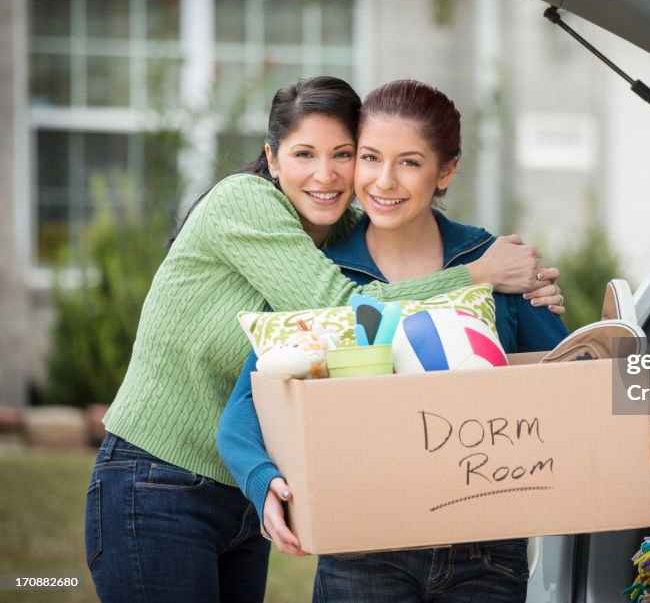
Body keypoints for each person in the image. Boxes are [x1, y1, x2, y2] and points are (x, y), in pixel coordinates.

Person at [85, 76, 563, 603]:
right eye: (305, 153)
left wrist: (525, 283)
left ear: (444, 169)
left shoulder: (344, 231)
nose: (328, 173)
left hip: (247, 499)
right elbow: (339, 311)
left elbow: (561, 372)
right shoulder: (247, 205)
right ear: (272, 158)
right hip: (158, 478)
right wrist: (478, 275)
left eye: (343, 154)